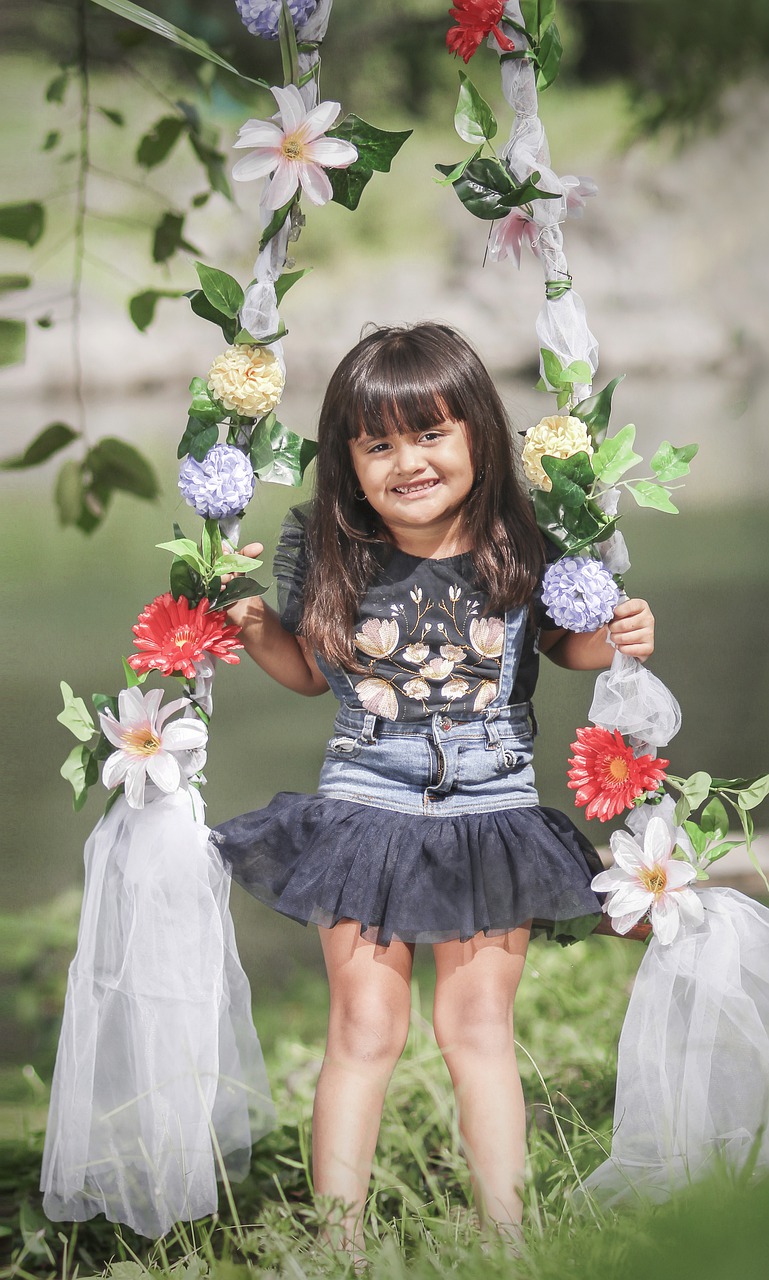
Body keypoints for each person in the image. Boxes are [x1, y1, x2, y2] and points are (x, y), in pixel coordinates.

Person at [212, 322, 654, 1257]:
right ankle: (339, 1241)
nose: (406, 462)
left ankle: (503, 1232)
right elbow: (310, 670)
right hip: (364, 796)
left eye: (429, 435)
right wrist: (256, 632)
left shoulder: (525, 541)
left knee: (476, 1023)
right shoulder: (327, 548)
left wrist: (614, 634)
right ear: (348, 463)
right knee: (363, 1024)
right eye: (378, 445)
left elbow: (565, 648)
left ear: (478, 439)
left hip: (491, 802)